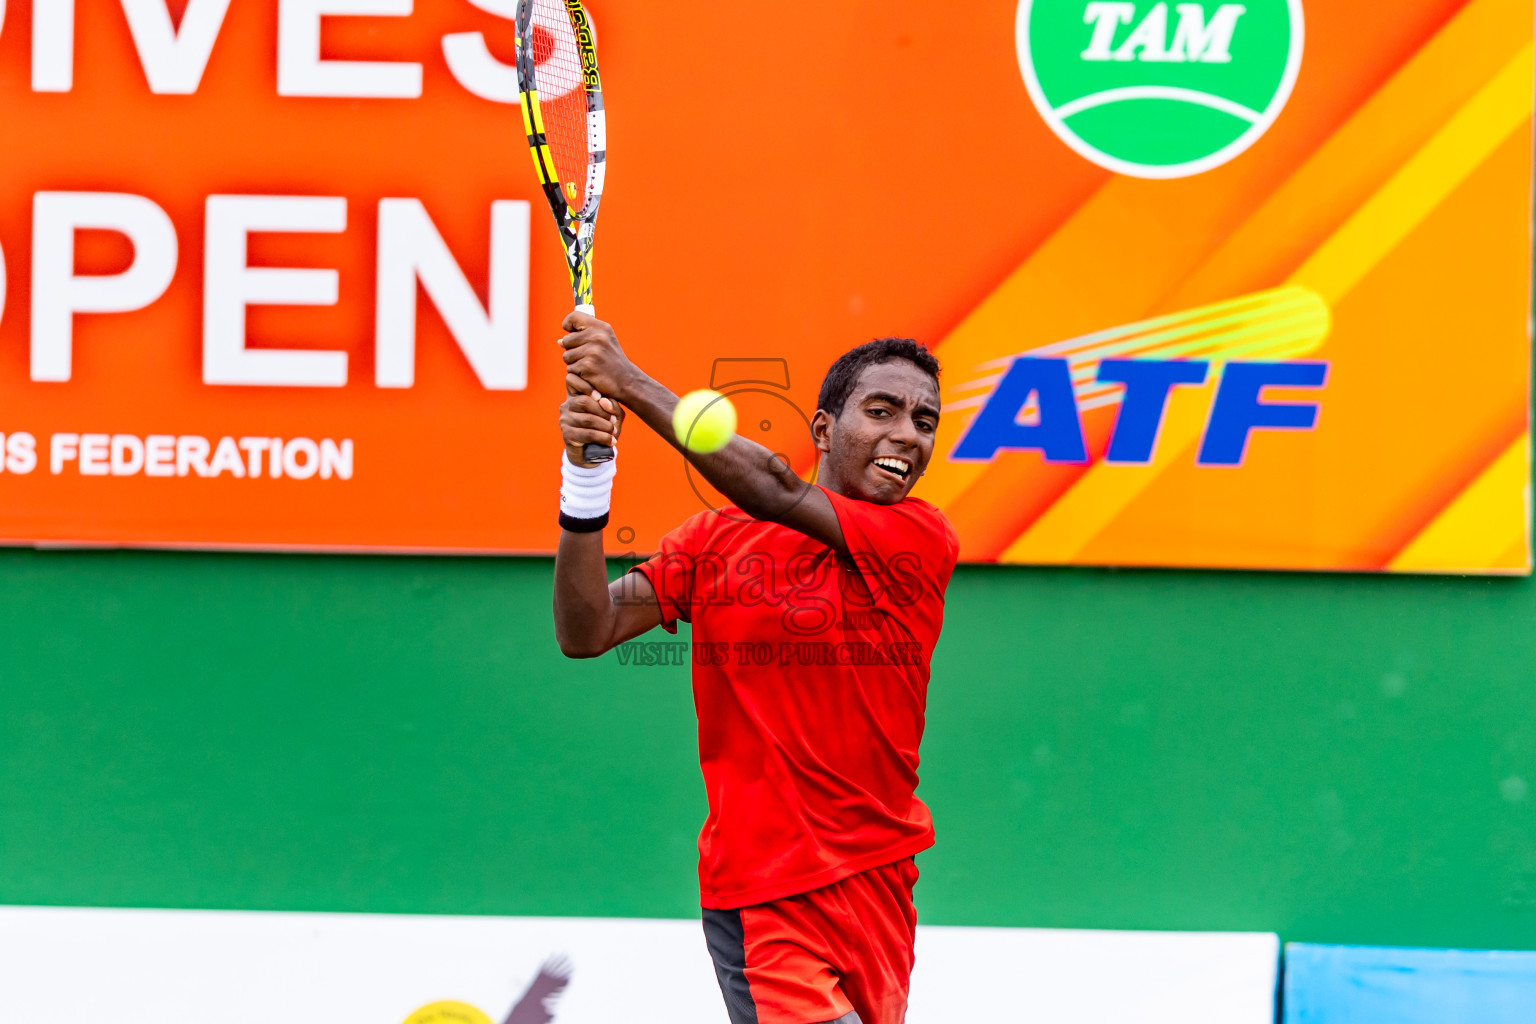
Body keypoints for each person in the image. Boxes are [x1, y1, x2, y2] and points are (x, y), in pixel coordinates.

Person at [551, 312, 958, 1024]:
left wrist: (628, 382)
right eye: (882, 411)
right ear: (824, 429)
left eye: (924, 422)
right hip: (765, 890)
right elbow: (587, 630)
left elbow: (773, 487)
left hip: (879, 886)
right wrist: (586, 478)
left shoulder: (918, 538)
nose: (907, 435)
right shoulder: (712, 543)